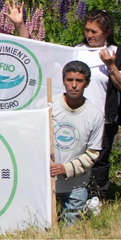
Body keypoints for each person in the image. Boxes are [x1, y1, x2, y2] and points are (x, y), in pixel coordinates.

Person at [74, 10, 121, 201]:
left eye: (95, 32)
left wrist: (111, 66)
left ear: (107, 32)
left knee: (100, 160)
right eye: (87, 30)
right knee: (76, 156)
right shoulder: (76, 50)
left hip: (104, 118)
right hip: (77, 115)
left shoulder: (116, 53)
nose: (89, 35)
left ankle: (97, 198)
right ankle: (75, 195)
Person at [51, 60, 104, 226]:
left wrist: (65, 169)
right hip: (46, 182)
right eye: (69, 80)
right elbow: (28, 133)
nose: (74, 85)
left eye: (79, 81)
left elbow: (93, 153)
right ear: (63, 81)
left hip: (75, 185)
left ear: (87, 83)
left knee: (71, 232)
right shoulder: (49, 106)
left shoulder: (95, 115)